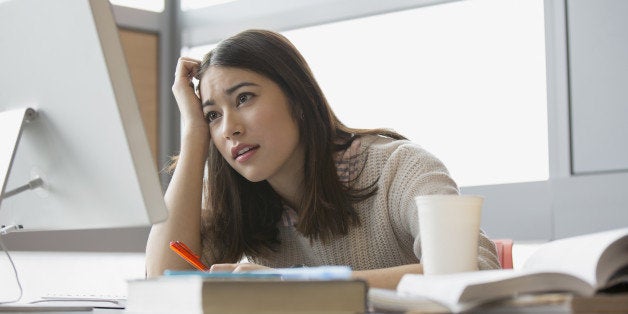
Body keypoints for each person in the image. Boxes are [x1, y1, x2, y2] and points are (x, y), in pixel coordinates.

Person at [145, 29, 500, 289]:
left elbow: (472, 274)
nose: (229, 130)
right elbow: (160, 288)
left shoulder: (400, 168)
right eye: (213, 116)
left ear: (298, 100)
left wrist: (293, 283)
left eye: (244, 99)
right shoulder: (236, 201)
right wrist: (193, 137)